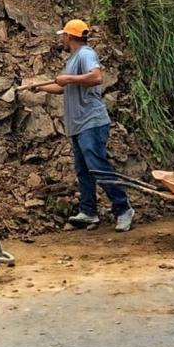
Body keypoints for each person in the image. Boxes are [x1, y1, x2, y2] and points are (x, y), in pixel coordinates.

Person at [33, 20, 135, 232]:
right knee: (83, 170)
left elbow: (96, 77)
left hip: (92, 122)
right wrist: (41, 87)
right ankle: (89, 212)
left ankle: (123, 208)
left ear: (69, 37)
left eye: (63, 36)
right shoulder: (74, 59)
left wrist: (67, 78)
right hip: (79, 124)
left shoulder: (85, 54)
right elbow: (64, 87)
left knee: (97, 166)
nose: (61, 39)